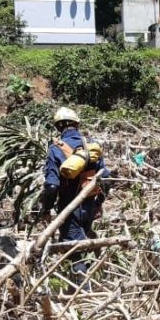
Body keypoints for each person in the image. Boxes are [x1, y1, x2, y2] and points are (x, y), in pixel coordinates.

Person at [37, 107, 109, 288]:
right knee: (82, 241)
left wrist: (46, 209)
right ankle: (96, 279)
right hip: (90, 205)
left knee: (74, 249)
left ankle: (83, 296)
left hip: (69, 208)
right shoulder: (91, 146)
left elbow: (52, 185)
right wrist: (99, 203)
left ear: (58, 128)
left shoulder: (55, 149)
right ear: (76, 124)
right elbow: (105, 178)